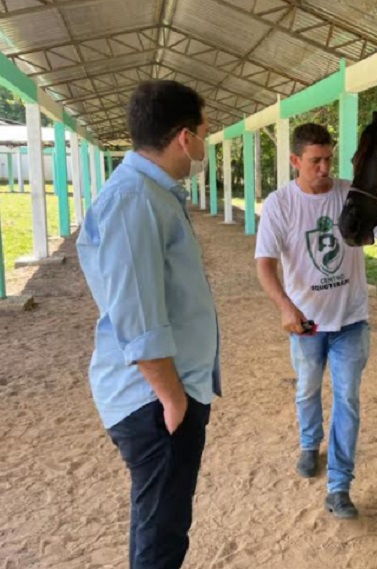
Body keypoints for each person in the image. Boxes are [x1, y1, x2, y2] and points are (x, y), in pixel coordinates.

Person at [255, 123, 377, 518]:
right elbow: (265, 266)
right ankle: (310, 443)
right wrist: (285, 307)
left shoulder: (351, 195)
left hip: (351, 322)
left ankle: (339, 486)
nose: (324, 168)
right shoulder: (280, 205)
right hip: (306, 325)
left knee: (347, 400)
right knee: (307, 391)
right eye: (314, 161)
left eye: (328, 159)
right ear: (295, 161)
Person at [76, 79, 220, 568]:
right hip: (155, 400)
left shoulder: (150, 194)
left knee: (161, 527)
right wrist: (174, 399)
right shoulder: (135, 199)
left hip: (162, 394)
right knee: (162, 539)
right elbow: (138, 319)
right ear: (184, 137)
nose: (203, 146)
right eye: (203, 133)